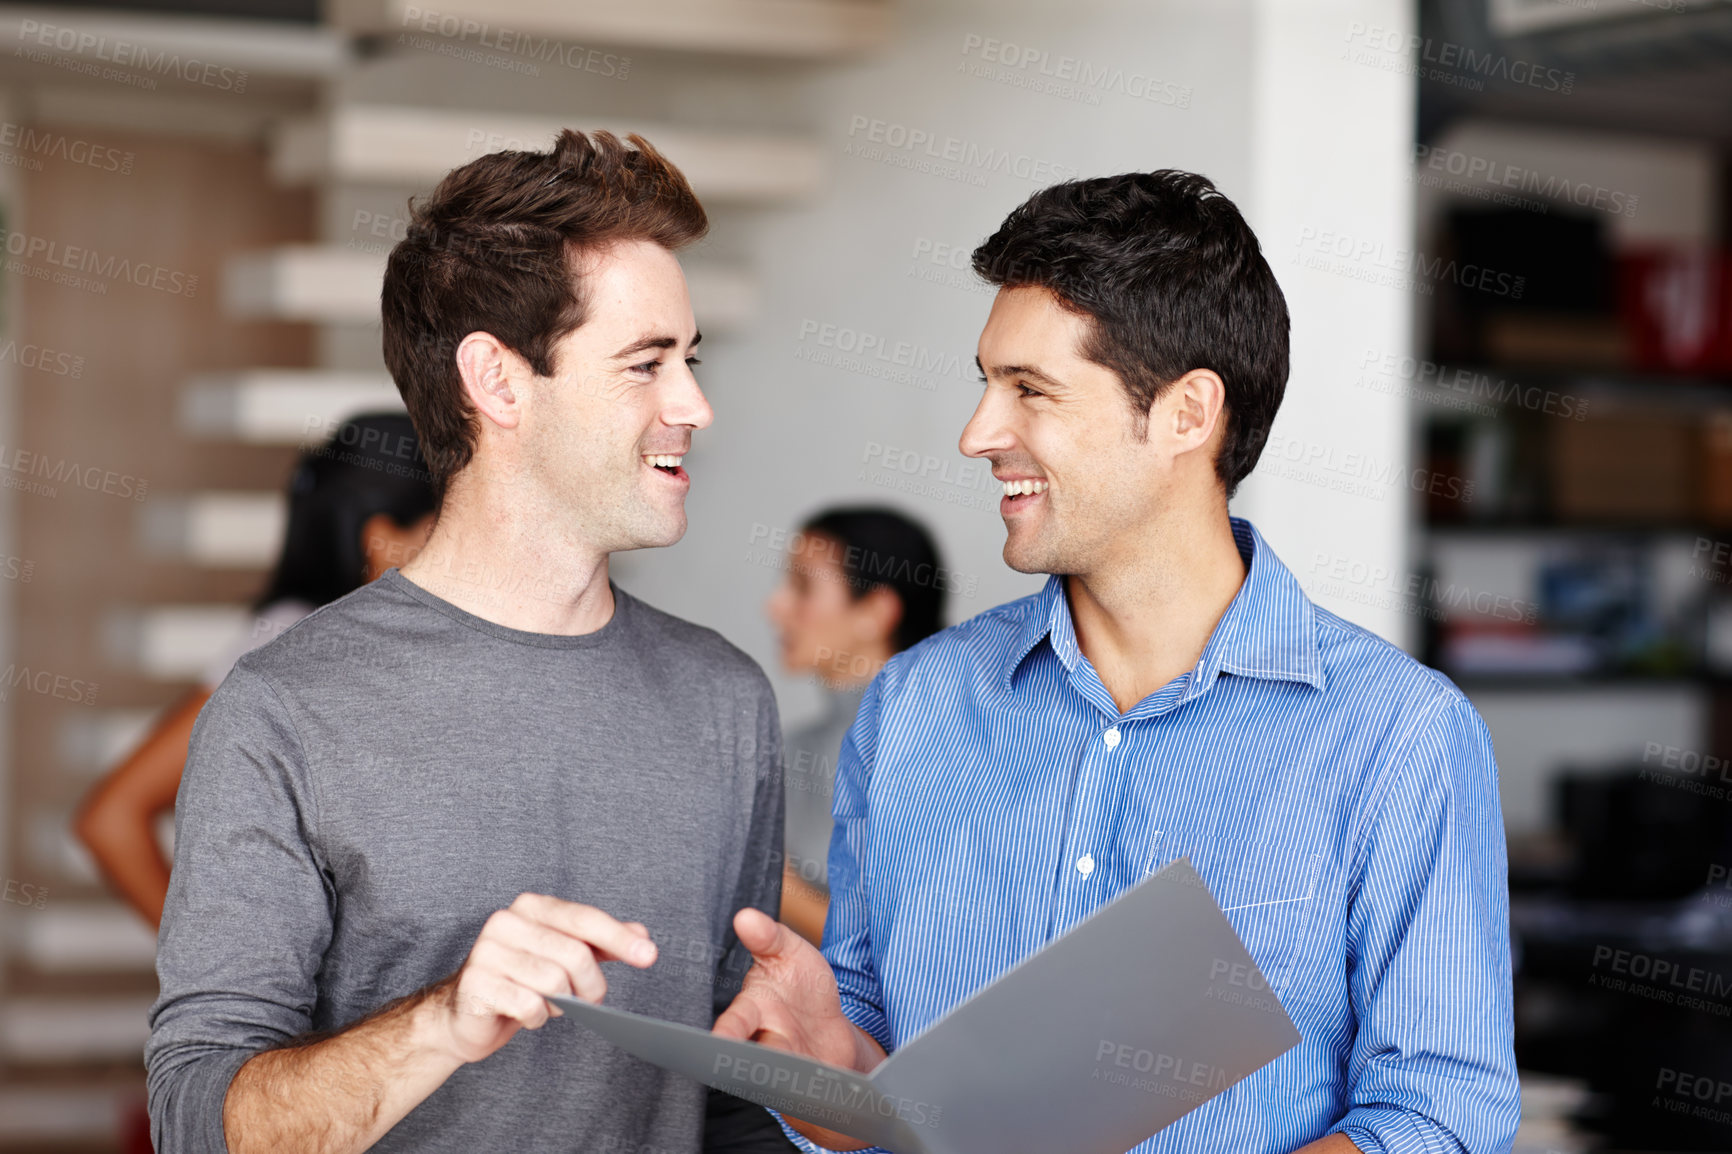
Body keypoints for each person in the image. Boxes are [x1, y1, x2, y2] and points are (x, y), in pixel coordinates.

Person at [714, 172, 1522, 1153]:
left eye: (1030, 390)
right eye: (985, 381)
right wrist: (822, 1056)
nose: (978, 433)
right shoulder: (916, 702)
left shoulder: (1397, 733)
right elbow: (874, 1084)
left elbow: (1437, 1114)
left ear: (1186, 413)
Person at [147, 130, 791, 1154]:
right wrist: (441, 1021)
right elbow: (199, 1120)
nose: (693, 404)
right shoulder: (282, 709)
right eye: (645, 363)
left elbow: (729, 1108)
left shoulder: (724, 697)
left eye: (691, 359)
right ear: (496, 379)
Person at [74, 412, 435, 927]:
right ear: (380, 538)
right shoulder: (292, 640)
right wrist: (219, 979)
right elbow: (111, 819)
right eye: (442, 525)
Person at [763, 507, 945, 944]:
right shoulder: (791, 746)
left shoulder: (936, 744)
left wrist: (771, 881)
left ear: (876, 612)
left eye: (803, 586)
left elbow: (915, 950)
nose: (776, 607)